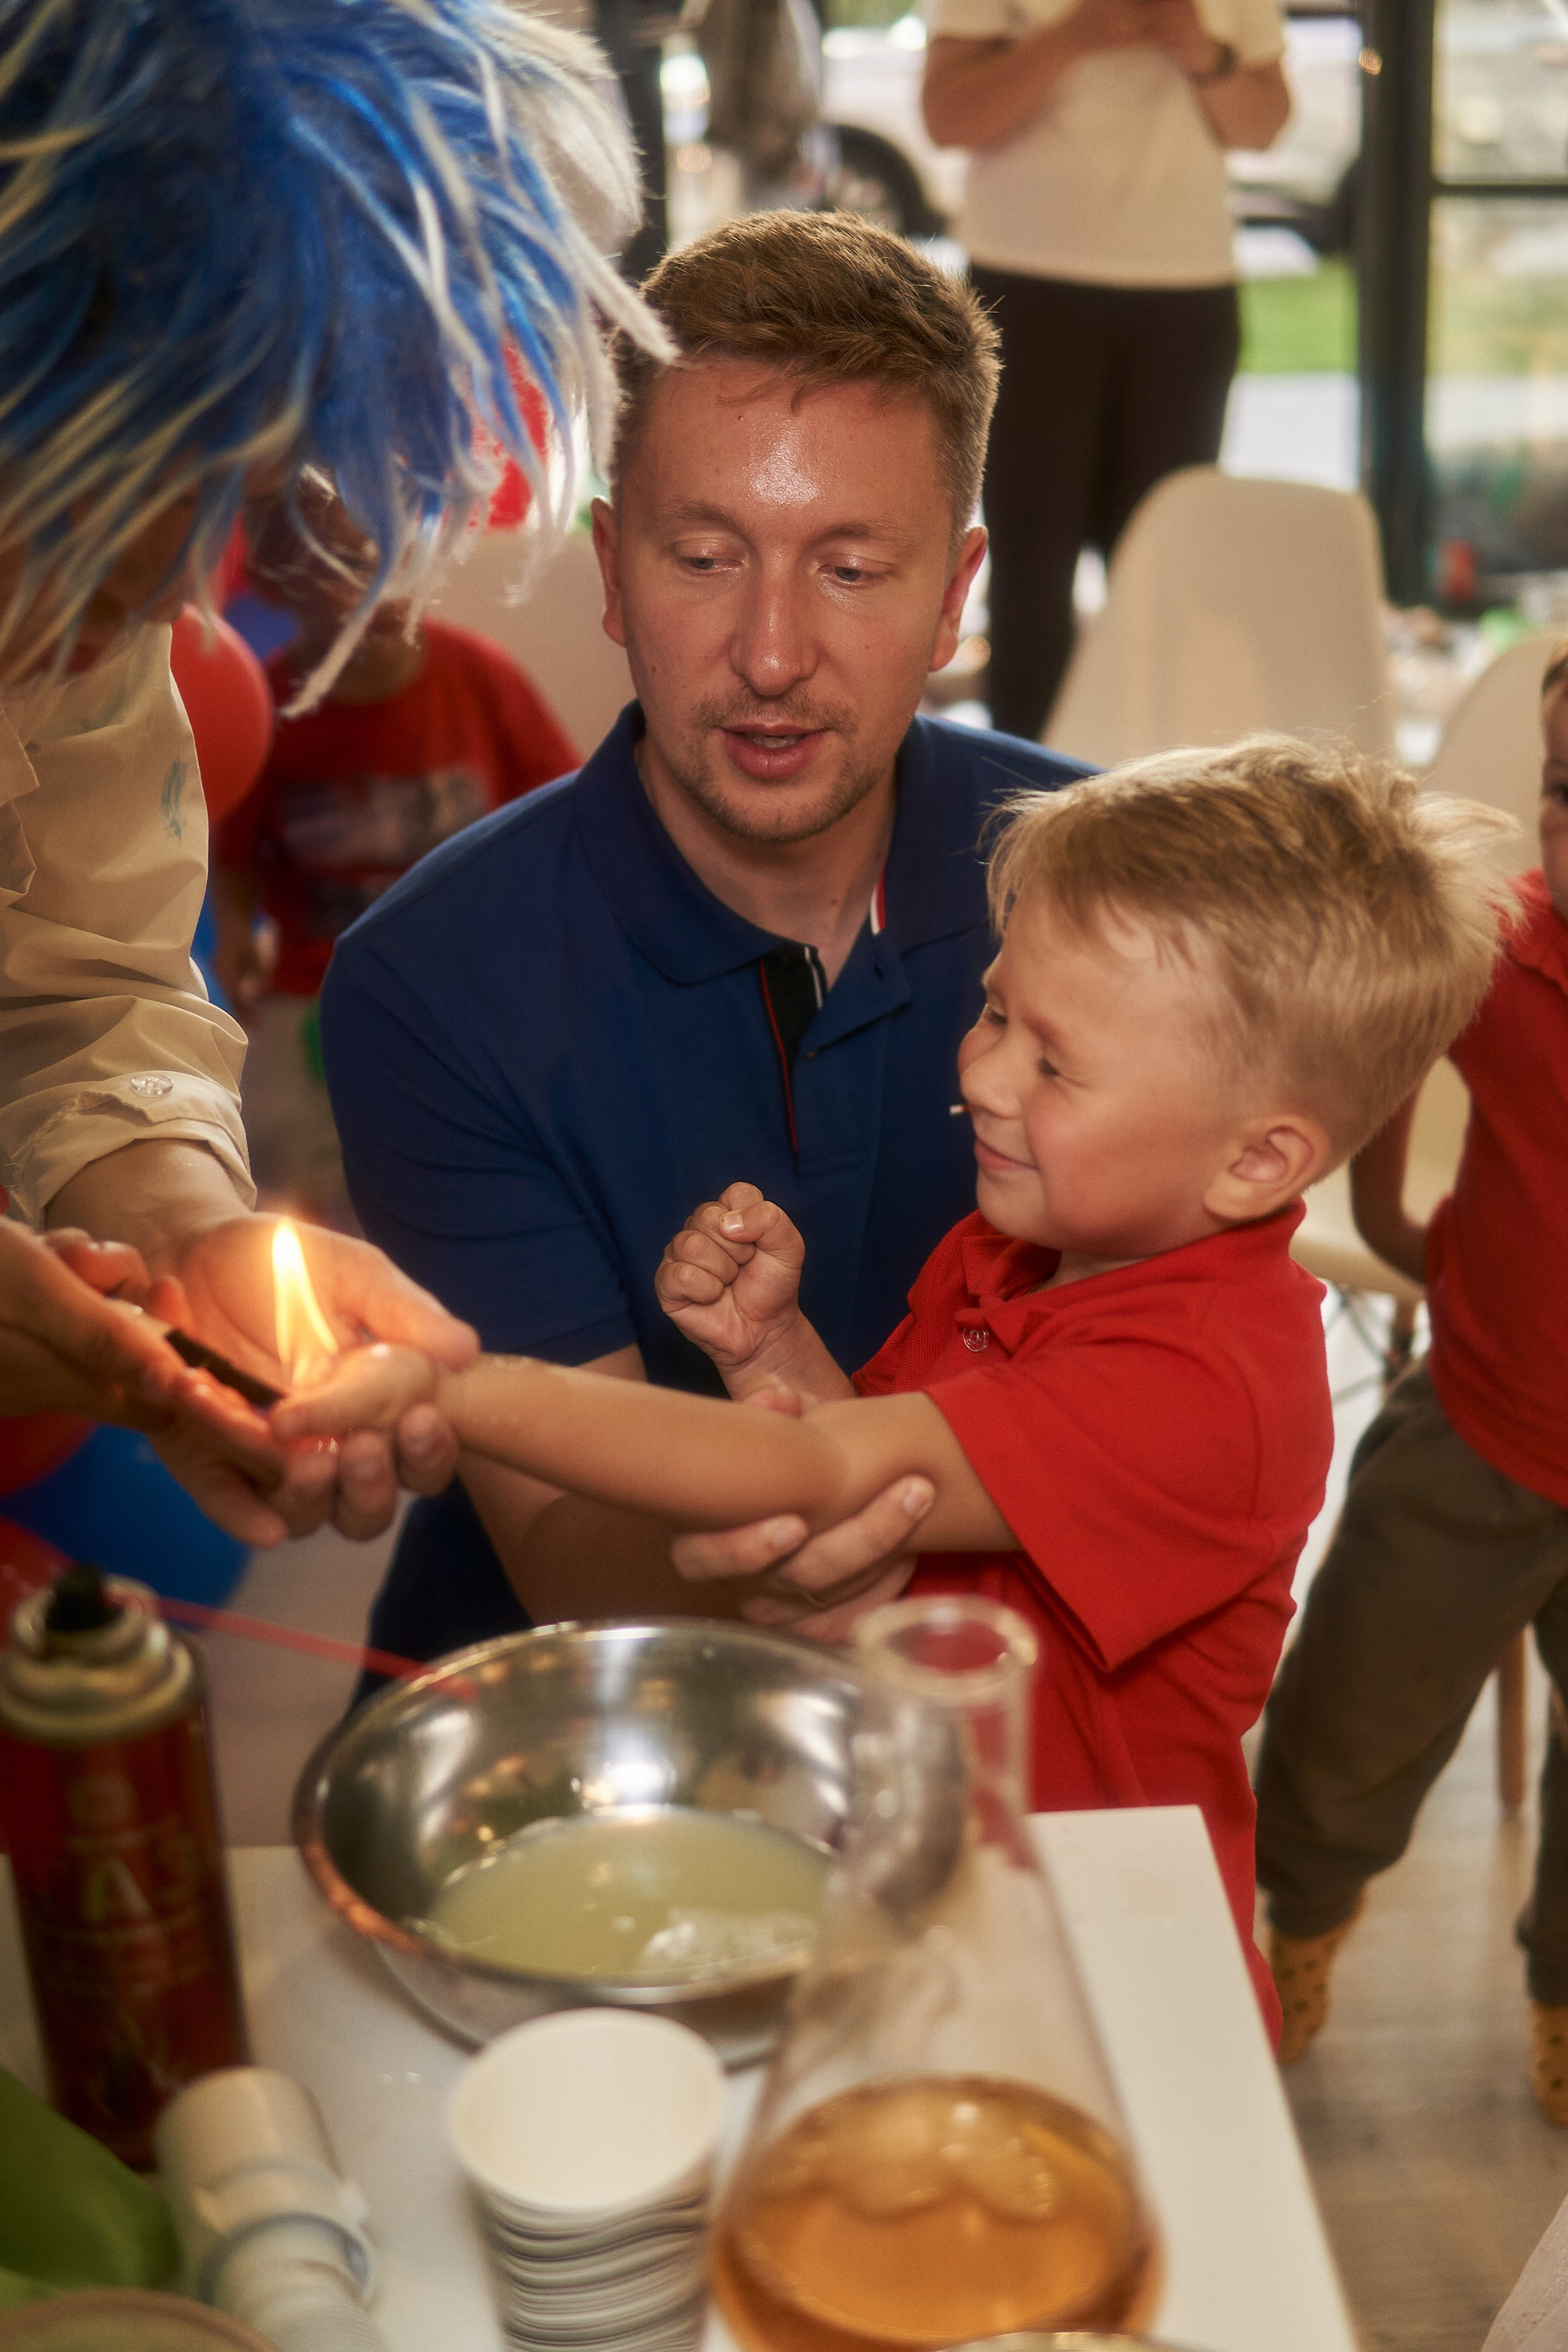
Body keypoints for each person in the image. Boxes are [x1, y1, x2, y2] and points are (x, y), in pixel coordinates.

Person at [282, 737, 1509, 2026]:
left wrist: (456, 1385)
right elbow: (872, 1466)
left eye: (1052, 1063)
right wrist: (770, 1353)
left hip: (1096, 1973)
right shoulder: (1008, 1252)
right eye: (991, 1010)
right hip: (925, 1906)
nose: (976, 1073)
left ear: (1257, 1163)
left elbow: (820, 1475)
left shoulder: (1205, 1384)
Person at [321, 210, 1091, 1677]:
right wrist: (796, 1558)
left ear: (956, 594)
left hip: (1008, 1707)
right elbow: (564, 1546)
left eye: (851, 569)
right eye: (704, 555)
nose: (771, 654)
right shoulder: (429, 985)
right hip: (564, 1717)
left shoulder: (1124, 893)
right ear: (609, 569)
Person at [0, 0, 660, 1540]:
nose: (170, 599)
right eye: (99, 505)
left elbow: (82, 983)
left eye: (204, 503)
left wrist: (182, 1227)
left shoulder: (88, 621)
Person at [1256, 646, 1568, 2114]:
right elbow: (1381, 1067)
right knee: (1350, 1710)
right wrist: (1397, 1232)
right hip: (1482, 1430)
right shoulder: (1499, 952)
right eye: (1563, 794)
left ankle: (1561, 1989)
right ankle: (1297, 1923)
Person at [921, 0, 1291, 741]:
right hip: (1025, 283)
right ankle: (1021, 807)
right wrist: (1074, 37)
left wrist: (1203, 53)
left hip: (1184, 289)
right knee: (1028, 577)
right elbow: (947, 116)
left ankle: (1148, 812)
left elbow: (1263, 123)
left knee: (1167, 580)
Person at [211, 486, 578, 1230]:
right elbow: (235, 846)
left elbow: (566, 813)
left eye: (389, 558)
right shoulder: (271, 702)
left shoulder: (480, 676)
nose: (368, 588)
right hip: (314, 983)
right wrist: (233, 936)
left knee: (486, 1143)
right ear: (279, 581)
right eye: (336, 564)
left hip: (467, 978)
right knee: (279, 1150)